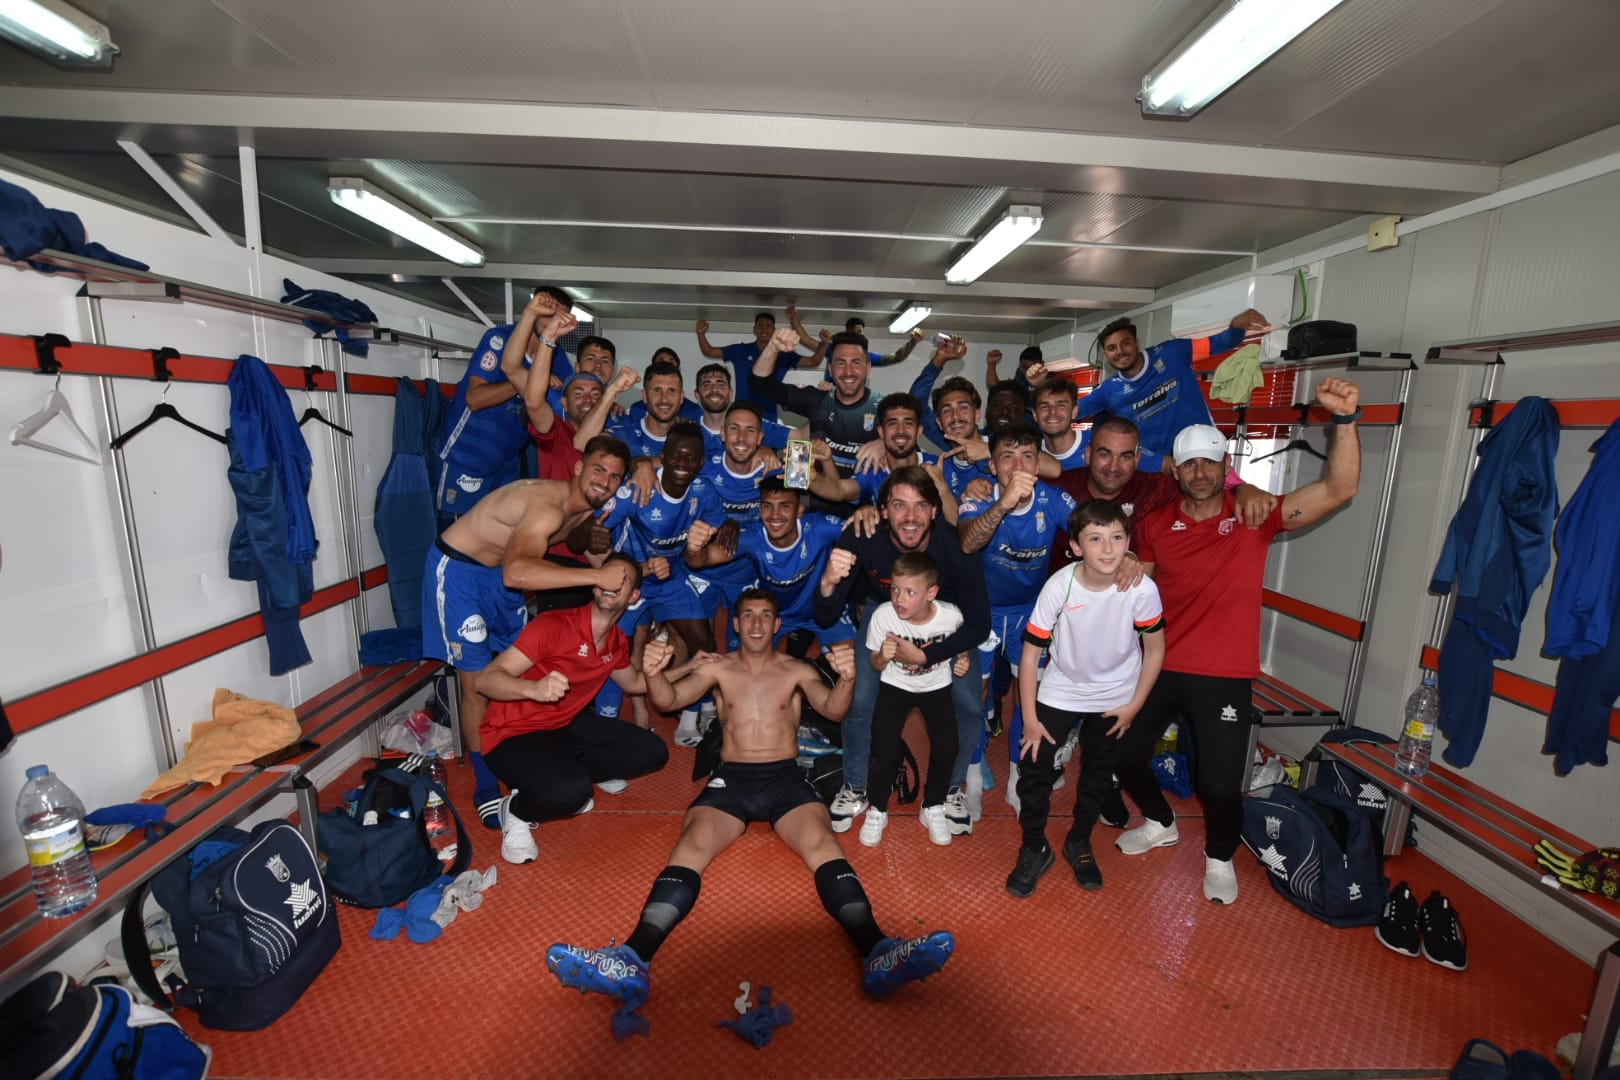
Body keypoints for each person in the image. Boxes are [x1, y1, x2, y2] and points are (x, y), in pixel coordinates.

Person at [544, 590, 954, 1034]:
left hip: (785, 780)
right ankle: (633, 957)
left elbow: (832, 708)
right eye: (747, 616)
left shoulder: (796, 669)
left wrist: (849, 679)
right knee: (690, 846)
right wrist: (651, 671)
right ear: (735, 625)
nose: (756, 623)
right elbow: (667, 700)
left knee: (823, 844)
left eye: (765, 616)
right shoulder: (717, 668)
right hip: (732, 780)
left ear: (777, 626)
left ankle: (878, 951)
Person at [1115, 378, 1363, 905]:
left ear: (1224, 466)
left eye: (1210, 462)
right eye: (1190, 464)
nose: (1199, 472)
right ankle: (1161, 823)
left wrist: (1344, 421)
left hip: (1224, 672)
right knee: (1125, 753)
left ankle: (1220, 857)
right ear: (1177, 471)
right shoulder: (1157, 524)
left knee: (1221, 784)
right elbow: (1138, 591)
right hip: (1162, 665)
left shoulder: (1255, 515)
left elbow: (1339, 490)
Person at [421, 435, 634, 828]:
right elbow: (518, 570)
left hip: (500, 579)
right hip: (462, 574)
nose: (604, 482)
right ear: (577, 468)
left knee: (524, 671)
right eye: (598, 470)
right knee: (478, 683)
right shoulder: (545, 507)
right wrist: (596, 576)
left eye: (614, 477)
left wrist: (633, 580)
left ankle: (526, 755)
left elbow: (594, 557)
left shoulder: (585, 509)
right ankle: (486, 783)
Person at [476, 553, 703, 863]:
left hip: (562, 726)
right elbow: (486, 681)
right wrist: (532, 689)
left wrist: (689, 667)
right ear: (596, 585)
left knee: (651, 752)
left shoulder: (615, 643)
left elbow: (635, 683)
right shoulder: (554, 625)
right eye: (606, 576)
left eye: (621, 580)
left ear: (634, 596)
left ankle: (565, 775)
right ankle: (515, 811)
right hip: (511, 735)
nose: (610, 584)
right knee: (573, 794)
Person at [814, 465, 990, 836]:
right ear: (882, 510)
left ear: (935, 511)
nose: (910, 517)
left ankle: (950, 789)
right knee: (860, 702)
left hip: (945, 628)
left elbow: (979, 624)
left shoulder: (956, 545)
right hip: (884, 623)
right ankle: (856, 784)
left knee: (971, 705)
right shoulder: (862, 535)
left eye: (921, 506)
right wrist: (828, 581)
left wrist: (930, 655)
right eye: (899, 505)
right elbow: (826, 614)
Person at [1006, 500, 1165, 898]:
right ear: (1076, 547)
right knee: (1035, 766)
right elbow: (1030, 655)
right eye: (1095, 539)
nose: (1108, 549)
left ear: (1129, 541)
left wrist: (1134, 706)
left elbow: (1156, 649)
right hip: (1062, 688)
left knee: (1098, 772)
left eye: (1117, 538)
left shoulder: (1141, 588)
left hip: (1116, 694)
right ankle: (1034, 846)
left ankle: (1079, 840)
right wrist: (1030, 716)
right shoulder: (1060, 585)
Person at [956, 423, 1078, 809]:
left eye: (1027, 456)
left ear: (1038, 465)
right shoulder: (978, 497)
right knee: (975, 698)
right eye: (1007, 457)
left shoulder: (1053, 500)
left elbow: (1092, 530)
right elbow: (968, 542)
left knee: (1031, 701)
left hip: (1030, 615)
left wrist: (1120, 554)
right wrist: (1004, 503)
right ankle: (972, 777)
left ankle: (1016, 776)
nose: (1018, 465)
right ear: (992, 466)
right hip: (983, 613)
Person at [596, 422, 727, 734]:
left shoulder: (702, 490)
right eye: (676, 456)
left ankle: (689, 712)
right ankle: (607, 729)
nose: (683, 463)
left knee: (704, 641)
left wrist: (729, 526)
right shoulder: (635, 490)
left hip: (671, 581)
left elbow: (719, 522)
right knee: (617, 654)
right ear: (663, 457)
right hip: (630, 583)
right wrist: (594, 539)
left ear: (701, 463)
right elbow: (590, 531)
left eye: (691, 458)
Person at [859, 553, 972, 848]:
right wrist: (881, 657)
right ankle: (878, 807)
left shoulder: (952, 616)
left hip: (937, 686)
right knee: (882, 747)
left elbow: (963, 646)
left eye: (910, 592)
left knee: (947, 745)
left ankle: (932, 805)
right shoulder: (883, 615)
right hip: (895, 685)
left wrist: (963, 659)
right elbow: (875, 662)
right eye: (895, 589)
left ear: (931, 593)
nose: (899, 598)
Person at [435, 286, 573, 522]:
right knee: (461, 538)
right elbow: (475, 399)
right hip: (467, 458)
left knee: (501, 537)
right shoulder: (499, 339)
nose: (552, 323)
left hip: (508, 462)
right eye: (548, 314)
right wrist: (532, 380)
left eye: (560, 318)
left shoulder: (556, 357)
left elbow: (571, 403)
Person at [1076, 308, 1270, 474]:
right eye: (1111, 348)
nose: (1120, 351)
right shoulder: (1109, 390)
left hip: (1200, 459)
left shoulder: (1172, 352)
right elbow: (1071, 411)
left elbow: (1220, 342)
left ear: (1136, 343)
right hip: (1156, 471)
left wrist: (1237, 326)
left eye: (1125, 343)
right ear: (1106, 355)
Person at [685, 477, 858, 646]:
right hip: (776, 615)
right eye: (767, 506)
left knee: (850, 666)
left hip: (819, 611)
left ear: (799, 510)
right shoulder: (753, 537)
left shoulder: (819, 527)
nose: (775, 515)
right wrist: (694, 548)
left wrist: (865, 512)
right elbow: (701, 560)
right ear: (760, 510)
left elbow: (862, 533)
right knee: (744, 668)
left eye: (785, 506)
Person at [749, 328, 879, 515]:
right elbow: (759, 384)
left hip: (864, 519)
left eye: (856, 363)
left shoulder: (884, 408)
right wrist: (772, 348)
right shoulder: (817, 400)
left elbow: (909, 459)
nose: (848, 372)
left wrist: (886, 444)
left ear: (868, 368)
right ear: (830, 369)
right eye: (840, 363)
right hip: (817, 517)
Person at [695, 313, 821, 424]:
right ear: (754, 329)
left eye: (768, 326)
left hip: (768, 415)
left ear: (773, 330)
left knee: (767, 450)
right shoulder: (740, 350)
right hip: (741, 413)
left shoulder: (784, 355)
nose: (764, 329)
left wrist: (825, 345)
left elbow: (813, 361)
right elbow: (709, 351)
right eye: (760, 325)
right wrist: (700, 334)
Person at [786, 306, 925, 368]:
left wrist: (913, 341)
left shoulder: (866, 357)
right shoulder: (832, 350)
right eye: (856, 332)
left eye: (861, 332)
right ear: (848, 332)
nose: (859, 335)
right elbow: (804, 339)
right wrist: (794, 320)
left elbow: (896, 357)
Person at [609, 359, 687, 460]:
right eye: (657, 390)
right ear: (644, 396)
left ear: (681, 397)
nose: (664, 399)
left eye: (671, 391)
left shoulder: (695, 440)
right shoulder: (622, 436)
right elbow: (583, 446)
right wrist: (612, 390)